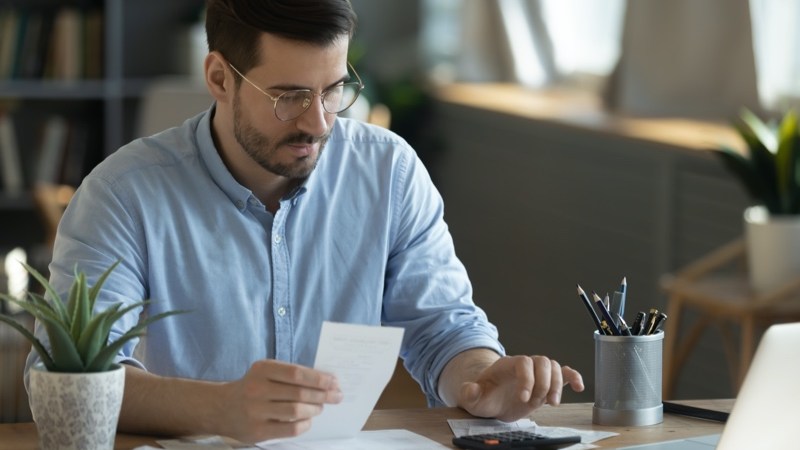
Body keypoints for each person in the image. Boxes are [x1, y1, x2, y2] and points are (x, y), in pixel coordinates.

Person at [24, 0, 583, 444]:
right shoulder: (122, 193)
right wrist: (220, 409)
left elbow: (442, 327)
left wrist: (478, 378)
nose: (318, 123)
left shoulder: (387, 170)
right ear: (220, 78)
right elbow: (63, 382)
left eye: (334, 89)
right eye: (289, 96)